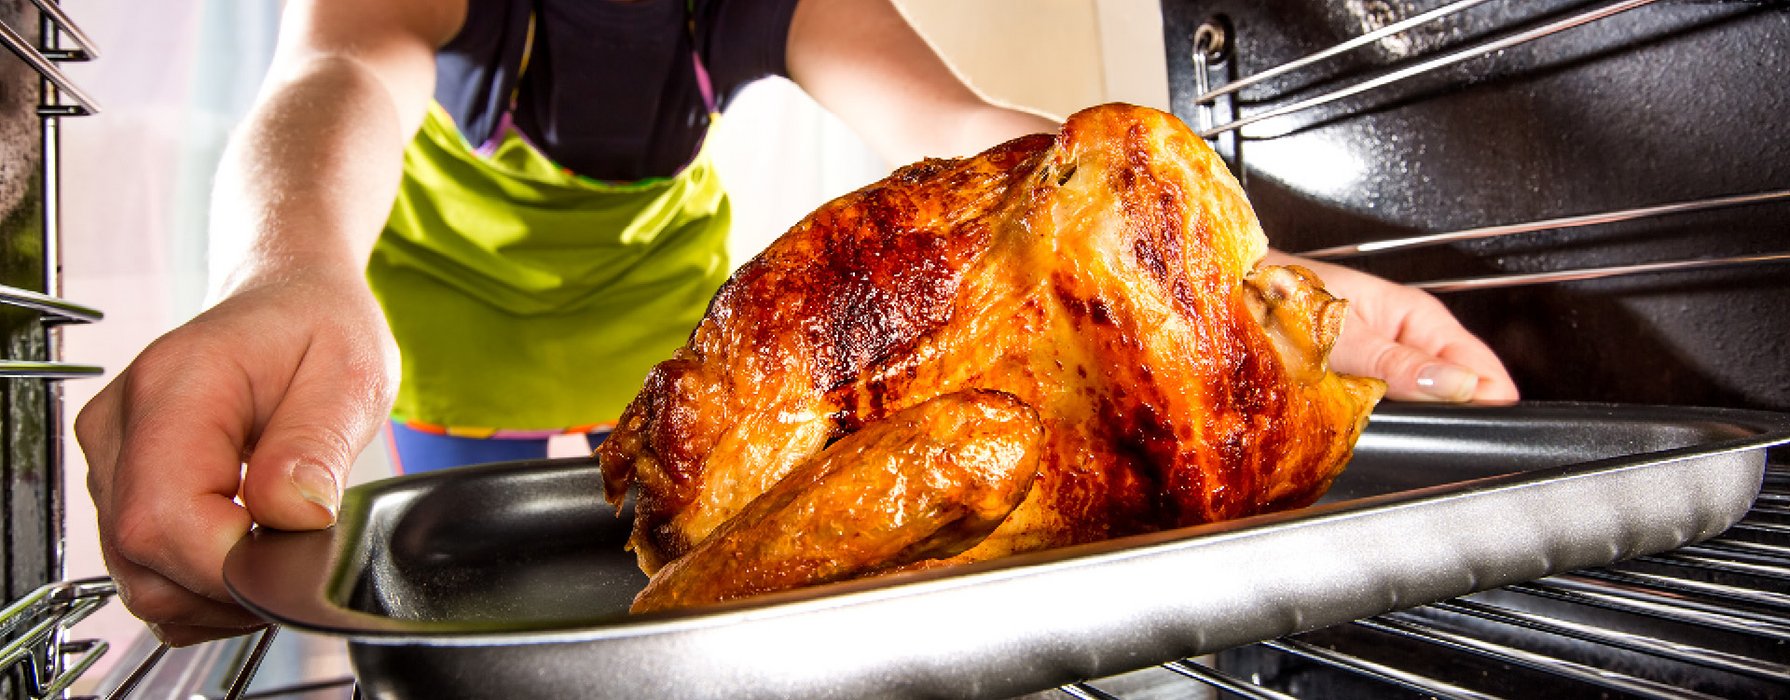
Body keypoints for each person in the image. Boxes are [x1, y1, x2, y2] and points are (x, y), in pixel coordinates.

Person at [75, 0, 1518, 646]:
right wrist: (285, 269)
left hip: (665, 338)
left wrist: (1226, 293)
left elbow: (963, 130)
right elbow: (335, 78)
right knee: (479, 609)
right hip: (443, 342)